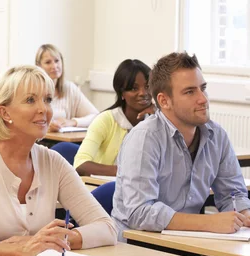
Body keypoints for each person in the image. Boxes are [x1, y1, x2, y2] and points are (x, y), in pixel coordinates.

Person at [0, 65, 117, 256]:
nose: (43, 109)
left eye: (47, 100)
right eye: (31, 100)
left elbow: (107, 228)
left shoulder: (53, 162)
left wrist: (56, 240)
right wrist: (18, 249)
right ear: (5, 113)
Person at [112, 52, 250, 241]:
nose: (203, 99)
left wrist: (243, 213)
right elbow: (140, 212)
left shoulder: (216, 135)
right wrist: (207, 222)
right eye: (190, 92)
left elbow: (232, 193)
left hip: (186, 242)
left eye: (203, 88)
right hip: (138, 246)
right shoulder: (145, 138)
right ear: (164, 101)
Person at [74, 59, 154, 176]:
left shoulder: (156, 122)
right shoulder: (106, 120)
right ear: (122, 93)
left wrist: (161, 113)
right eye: (134, 88)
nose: (143, 93)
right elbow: (80, 164)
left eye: (147, 86)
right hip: (104, 189)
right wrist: (127, 172)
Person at [35, 44, 98, 132]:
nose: (54, 66)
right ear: (39, 66)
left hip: (64, 138)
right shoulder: (32, 90)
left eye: (57, 61)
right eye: (48, 62)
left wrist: (72, 122)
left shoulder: (69, 88)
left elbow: (96, 116)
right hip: (42, 141)